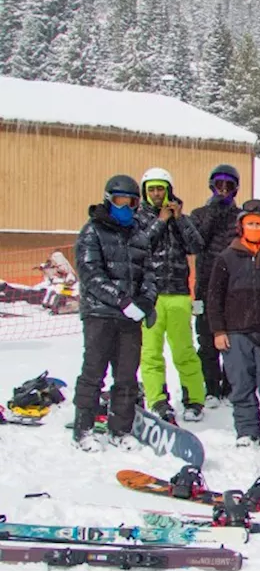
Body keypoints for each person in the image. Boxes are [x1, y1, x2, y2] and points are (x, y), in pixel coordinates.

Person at [70, 175, 157, 451]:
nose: (126, 207)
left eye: (131, 202)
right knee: (94, 371)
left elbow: (149, 275)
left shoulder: (139, 235)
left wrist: (145, 302)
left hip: (129, 318)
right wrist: (121, 301)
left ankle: (120, 428)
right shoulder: (92, 231)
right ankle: (83, 428)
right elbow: (91, 274)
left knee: (127, 375)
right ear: (109, 199)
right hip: (100, 314)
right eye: (121, 201)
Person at [205, 199, 260, 451]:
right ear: (241, 227)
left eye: (259, 224)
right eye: (250, 223)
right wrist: (218, 330)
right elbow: (214, 296)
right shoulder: (226, 258)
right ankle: (247, 431)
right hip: (235, 333)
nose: (255, 227)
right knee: (241, 385)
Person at [135, 167, 206, 424]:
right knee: (151, 353)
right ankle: (157, 400)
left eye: (160, 189)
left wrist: (179, 219)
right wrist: (161, 221)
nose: (156, 194)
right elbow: (140, 245)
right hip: (150, 295)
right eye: (152, 189)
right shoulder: (138, 218)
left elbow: (196, 245)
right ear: (145, 192)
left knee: (184, 350)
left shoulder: (180, 219)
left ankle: (194, 399)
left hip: (177, 293)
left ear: (169, 191)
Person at [191, 163, 242, 406]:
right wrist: (212, 212)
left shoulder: (240, 217)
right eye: (219, 185)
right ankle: (210, 385)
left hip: (232, 287)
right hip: (204, 283)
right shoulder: (200, 214)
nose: (223, 190)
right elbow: (196, 242)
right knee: (206, 337)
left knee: (231, 337)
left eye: (228, 186)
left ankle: (230, 385)